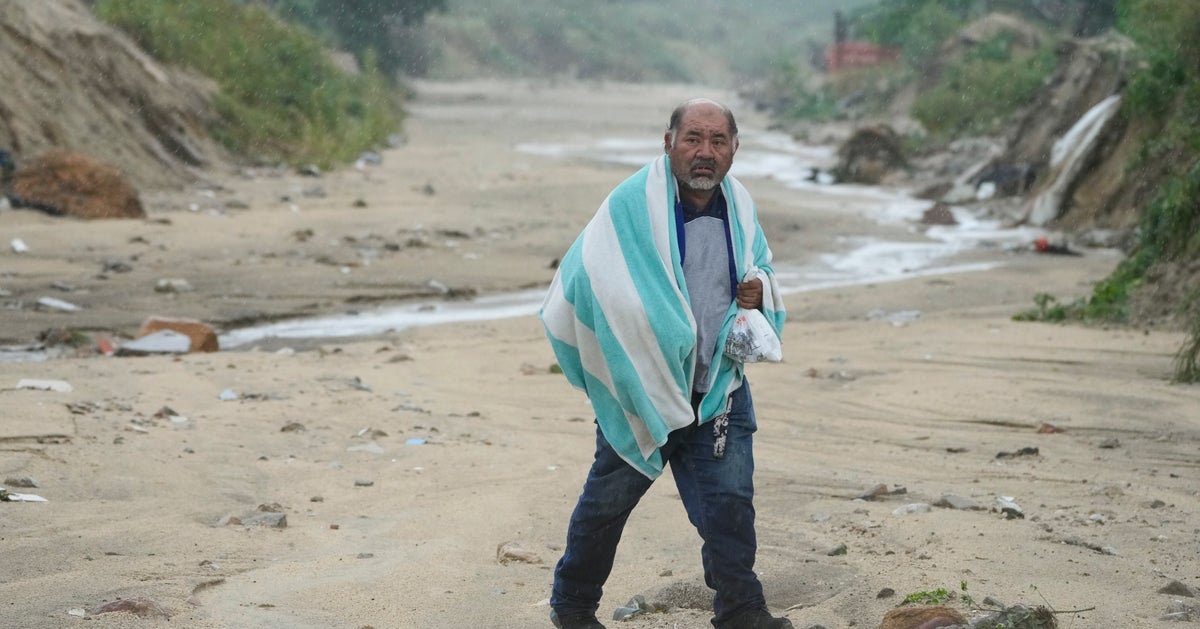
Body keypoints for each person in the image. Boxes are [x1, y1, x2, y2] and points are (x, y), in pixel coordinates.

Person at [540, 98, 789, 629]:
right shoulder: (633, 204)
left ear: (734, 149)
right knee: (606, 505)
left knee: (729, 509)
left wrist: (759, 287)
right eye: (694, 138)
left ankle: (743, 613)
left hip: (717, 386)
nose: (705, 152)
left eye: (718, 141)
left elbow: (761, 265)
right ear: (668, 141)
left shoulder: (738, 207)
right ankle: (573, 608)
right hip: (644, 387)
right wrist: (641, 335)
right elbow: (584, 275)